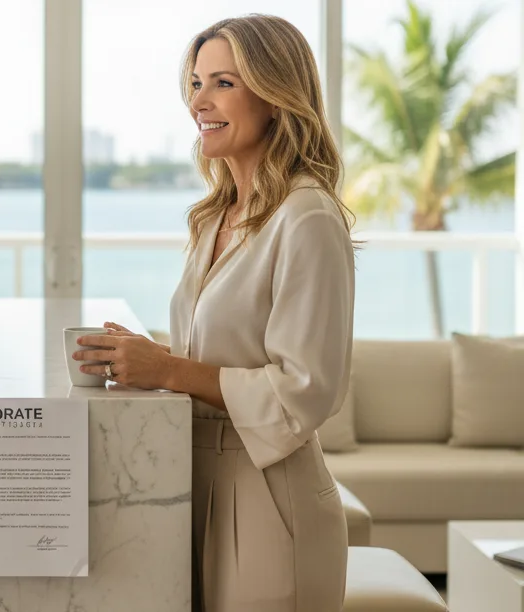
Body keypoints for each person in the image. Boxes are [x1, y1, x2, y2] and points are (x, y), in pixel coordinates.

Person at [73, 14, 354, 612]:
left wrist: (168, 371)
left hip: (270, 496)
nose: (200, 100)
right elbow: (222, 359)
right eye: (196, 83)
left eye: (223, 82)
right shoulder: (215, 217)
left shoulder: (307, 217)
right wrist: (147, 358)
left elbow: (304, 391)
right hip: (193, 478)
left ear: (277, 97)